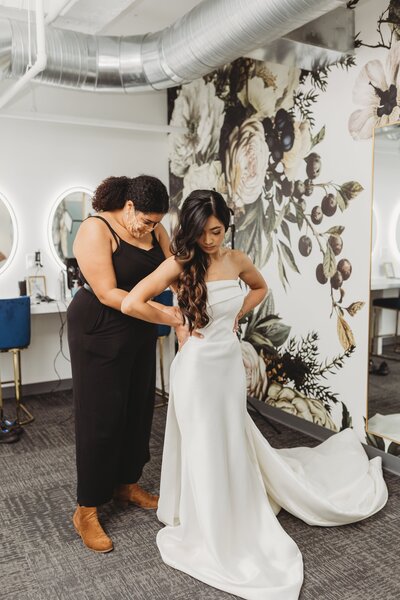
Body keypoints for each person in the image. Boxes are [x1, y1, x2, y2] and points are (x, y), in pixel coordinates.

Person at [121, 189, 388, 600]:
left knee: (228, 436)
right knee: (203, 442)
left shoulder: (238, 260)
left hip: (227, 366)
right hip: (195, 369)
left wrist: (235, 314)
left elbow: (259, 288)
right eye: (203, 232)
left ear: (226, 225)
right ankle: (206, 518)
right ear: (190, 231)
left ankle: (232, 500)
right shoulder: (179, 263)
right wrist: (173, 316)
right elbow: (132, 303)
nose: (210, 240)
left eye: (217, 231)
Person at [67, 174, 173, 554]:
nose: (151, 228)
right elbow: (110, 293)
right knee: (101, 418)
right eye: (146, 221)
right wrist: (167, 314)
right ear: (129, 207)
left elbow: (173, 266)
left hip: (139, 328)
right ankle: (87, 509)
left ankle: (126, 484)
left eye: (157, 222)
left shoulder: (154, 229)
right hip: (100, 327)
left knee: (137, 410)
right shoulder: (96, 229)